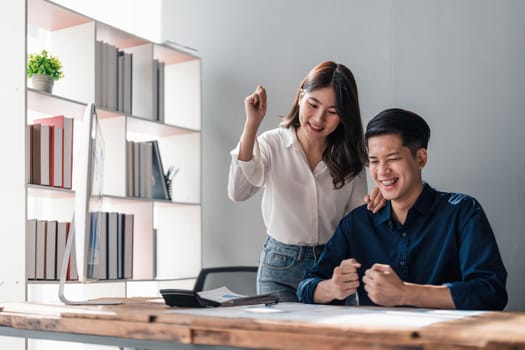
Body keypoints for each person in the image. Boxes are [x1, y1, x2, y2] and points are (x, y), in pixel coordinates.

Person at [297, 108, 508, 310]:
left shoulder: (462, 213)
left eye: (393, 159)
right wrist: (332, 288)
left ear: (420, 159)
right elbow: (306, 287)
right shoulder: (357, 223)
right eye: (374, 161)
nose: (382, 171)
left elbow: (490, 292)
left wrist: (406, 293)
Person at [228, 61, 385, 301]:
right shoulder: (272, 144)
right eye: (313, 104)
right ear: (301, 96)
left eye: (332, 112)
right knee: (283, 337)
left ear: (344, 116)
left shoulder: (349, 157)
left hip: (330, 266)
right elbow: (238, 192)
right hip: (279, 266)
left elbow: (355, 221)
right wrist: (252, 124)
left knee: (328, 338)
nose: (319, 118)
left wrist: (381, 200)